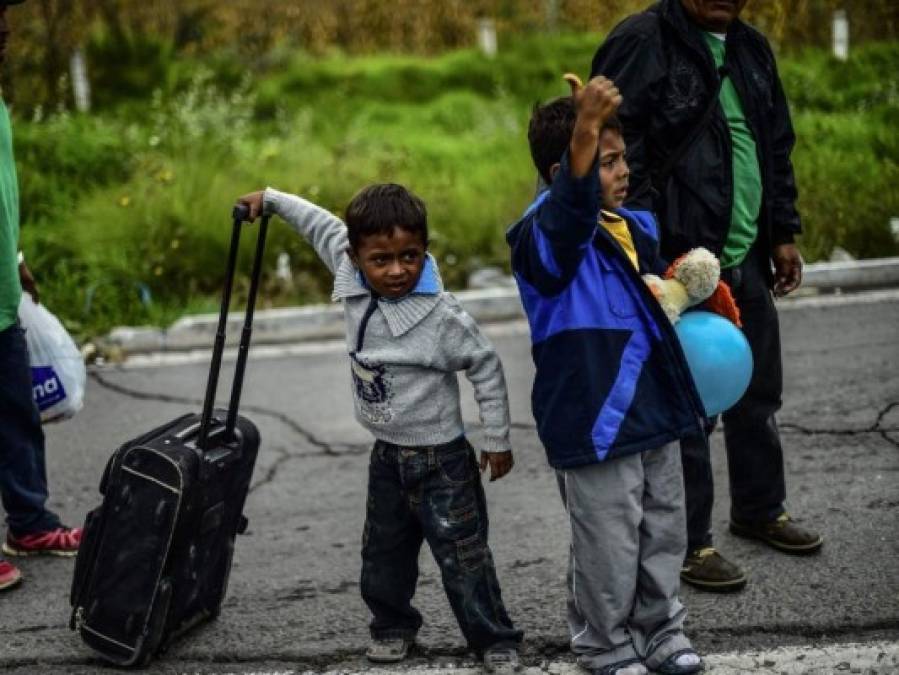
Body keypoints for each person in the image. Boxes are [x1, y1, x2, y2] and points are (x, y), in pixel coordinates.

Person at [236, 184, 523, 673]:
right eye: (382, 259)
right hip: (387, 455)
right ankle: (392, 627)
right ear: (355, 256)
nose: (396, 270)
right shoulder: (348, 270)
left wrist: (496, 438)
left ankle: (494, 639)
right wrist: (272, 199)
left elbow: (485, 366)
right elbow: (319, 223)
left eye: (410, 256)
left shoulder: (441, 316)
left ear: (425, 251)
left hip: (442, 461)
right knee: (383, 552)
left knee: (463, 555)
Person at [590, 0, 823, 593]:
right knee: (689, 408)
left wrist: (783, 233)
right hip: (680, 262)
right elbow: (616, 154)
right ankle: (690, 542)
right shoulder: (644, 40)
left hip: (742, 253)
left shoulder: (750, 47)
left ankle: (760, 509)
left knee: (755, 390)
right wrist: (644, 251)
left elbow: (775, 146)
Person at [507, 74, 704, 675]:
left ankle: (662, 628)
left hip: (653, 409)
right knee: (607, 545)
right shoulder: (541, 237)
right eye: (605, 160)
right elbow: (569, 219)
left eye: (623, 159)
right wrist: (584, 128)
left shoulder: (635, 227)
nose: (622, 172)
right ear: (561, 170)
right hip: (595, 420)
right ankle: (605, 643)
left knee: (664, 529)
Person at [0, 0, 82, 593]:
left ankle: (30, 522)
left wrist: (17, 257)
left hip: (1, 295)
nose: (5, 32)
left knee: (17, 417)